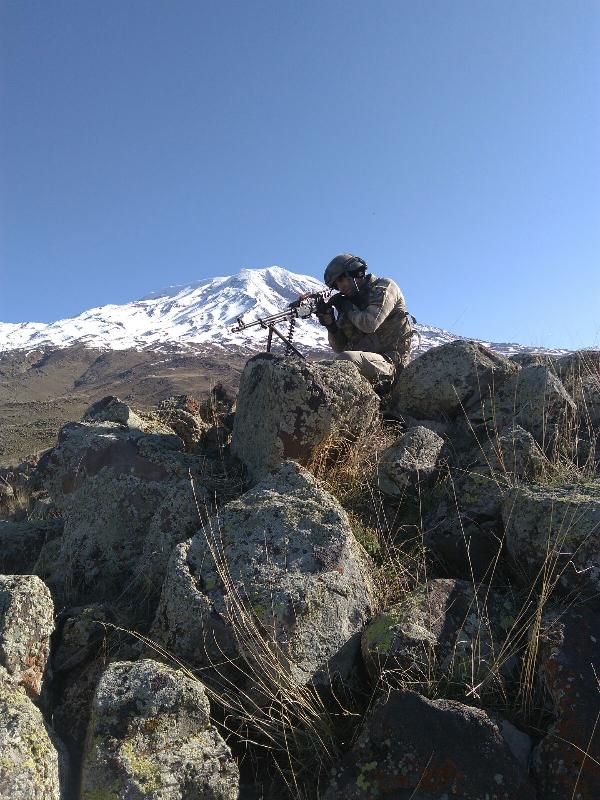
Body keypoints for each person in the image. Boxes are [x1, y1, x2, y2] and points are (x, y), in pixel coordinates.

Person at [316, 253, 413, 384]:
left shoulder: (385, 287)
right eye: (336, 285)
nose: (340, 287)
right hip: (369, 364)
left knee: (346, 360)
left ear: (356, 272)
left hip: (393, 364)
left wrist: (346, 307)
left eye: (341, 280)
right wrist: (331, 325)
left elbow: (370, 324)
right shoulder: (348, 303)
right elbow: (339, 348)